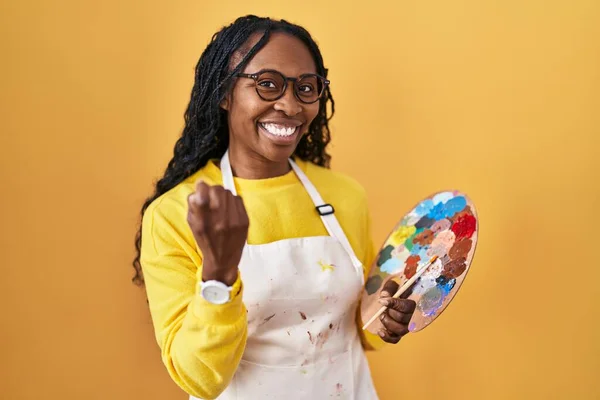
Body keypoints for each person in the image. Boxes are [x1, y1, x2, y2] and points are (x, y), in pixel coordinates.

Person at [133, 15, 416, 400]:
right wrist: (218, 272)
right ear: (224, 93)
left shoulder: (345, 195)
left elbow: (356, 324)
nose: (289, 105)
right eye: (267, 85)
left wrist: (384, 319)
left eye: (305, 88)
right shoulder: (176, 213)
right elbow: (199, 378)